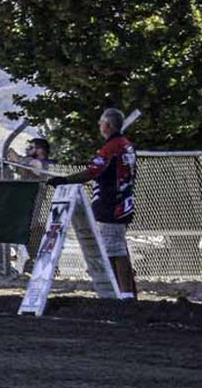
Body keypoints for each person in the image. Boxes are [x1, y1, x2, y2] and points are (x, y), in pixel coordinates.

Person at [47, 108, 139, 302]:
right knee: (117, 247)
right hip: (123, 202)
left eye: (100, 122)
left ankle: (126, 294)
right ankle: (127, 291)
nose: (99, 125)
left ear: (107, 126)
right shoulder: (126, 145)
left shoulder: (112, 147)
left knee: (116, 250)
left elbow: (92, 171)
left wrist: (65, 180)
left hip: (112, 205)